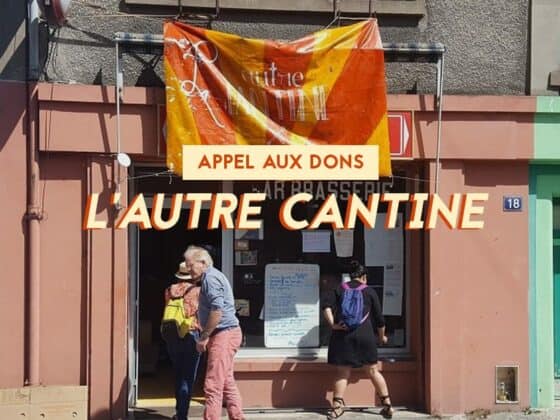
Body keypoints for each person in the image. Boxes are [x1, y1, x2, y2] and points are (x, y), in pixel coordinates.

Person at [322, 261, 394, 419]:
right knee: (373, 370)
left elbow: (326, 306)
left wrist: (333, 325)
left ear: (350, 276)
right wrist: (382, 337)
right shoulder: (369, 291)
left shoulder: (339, 288)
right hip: (365, 335)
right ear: (364, 277)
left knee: (343, 372)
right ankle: (387, 404)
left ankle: (337, 407)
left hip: (343, 334)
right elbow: (380, 319)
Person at [184, 245, 245, 420]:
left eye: (190, 265)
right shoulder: (213, 276)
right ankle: (237, 416)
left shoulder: (210, 279)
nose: (188, 270)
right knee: (226, 380)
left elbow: (217, 311)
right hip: (227, 333)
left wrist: (204, 337)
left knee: (213, 384)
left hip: (223, 333)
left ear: (202, 262)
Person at [163, 261, 202, 420]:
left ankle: (179, 410)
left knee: (178, 373)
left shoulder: (169, 290)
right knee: (188, 376)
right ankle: (182, 415)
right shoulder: (199, 291)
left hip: (173, 334)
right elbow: (202, 314)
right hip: (191, 334)